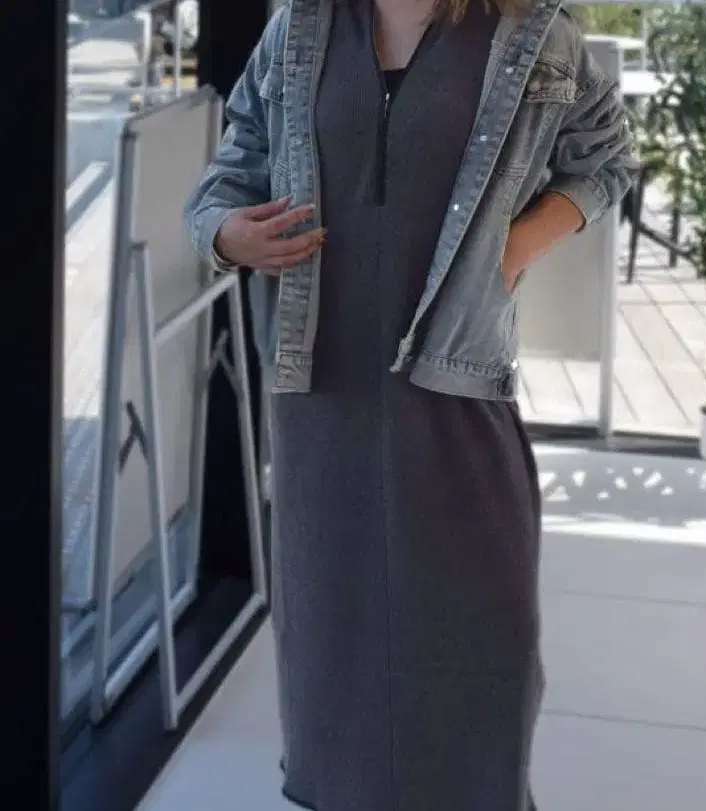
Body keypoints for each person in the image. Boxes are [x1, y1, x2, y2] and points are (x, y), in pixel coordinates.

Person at [185, 1, 636, 809]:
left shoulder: (532, 32)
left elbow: (604, 162)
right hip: (320, 402)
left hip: (454, 391)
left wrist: (512, 246)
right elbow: (228, 176)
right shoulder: (300, 30)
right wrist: (226, 235)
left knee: (481, 637)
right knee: (334, 651)